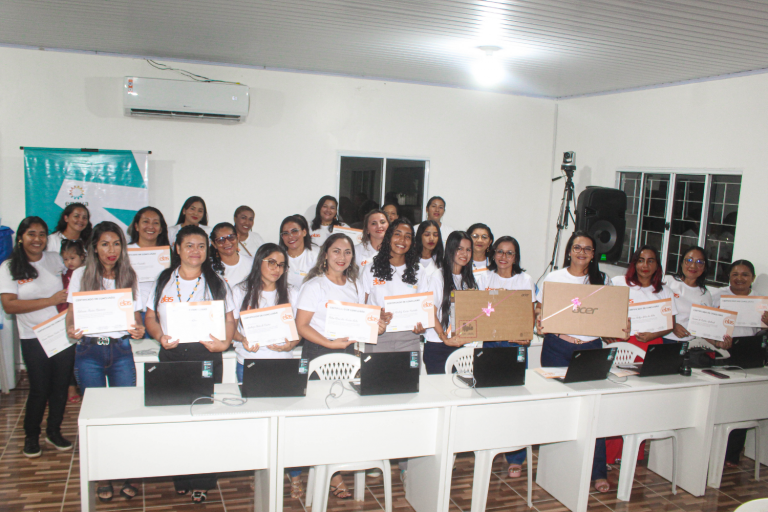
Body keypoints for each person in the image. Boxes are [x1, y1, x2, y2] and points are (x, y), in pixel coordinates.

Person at [144, 225, 236, 504]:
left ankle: (204, 480)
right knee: (176, 418)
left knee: (206, 417)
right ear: (177, 248)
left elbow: (230, 320)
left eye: (201, 246)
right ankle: (181, 476)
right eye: (189, 246)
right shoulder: (163, 280)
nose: (195, 251)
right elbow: (150, 318)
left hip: (207, 355)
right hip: (172, 355)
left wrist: (224, 343)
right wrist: (160, 336)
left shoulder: (218, 282)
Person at [295, 233, 386, 500]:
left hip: (348, 355)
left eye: (347, 252)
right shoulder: (314, 286)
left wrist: (377, 326)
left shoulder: (355, 285)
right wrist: (329, 343)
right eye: (336, 251)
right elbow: (301, 326)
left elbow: (361, 322)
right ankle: (331, 475)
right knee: (319, 416)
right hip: (319, 352)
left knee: (343, 414)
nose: (342, 257)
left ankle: (335, 466)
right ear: (325, 254)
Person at [65, 221, 144, 503]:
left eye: (117, 244)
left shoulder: (129, 275)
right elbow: (71, 317)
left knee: (125, 413)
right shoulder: (80, 275)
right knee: (96, 417)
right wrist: (71, 329)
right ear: (94, 247)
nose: (112, 250)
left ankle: (127, 472)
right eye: (105, 244)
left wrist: (139, 330)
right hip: (89, 353)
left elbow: (136, 321)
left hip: (121, 350)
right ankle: (102, 475)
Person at [535, 231, 620, 494]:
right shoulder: (554, 277)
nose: (581, 252)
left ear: (594, 254)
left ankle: (597, 472)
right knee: (557, 408)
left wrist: (616, 327)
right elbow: (540, 309)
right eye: (577, 247)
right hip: (557, 347)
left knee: (593, 410)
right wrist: (539, 319)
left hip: (590, 348)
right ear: (569, 251)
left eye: (587, 249)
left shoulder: (603, 280)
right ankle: (556, 468)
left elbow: (610, 316)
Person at [231, 243, 303, 497]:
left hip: (282, 365)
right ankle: (260, 471)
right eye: (271, 262)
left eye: (281, 264)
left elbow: (298, 331)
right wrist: (241, 340)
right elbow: (231, 328)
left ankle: (294, 475)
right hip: (248, 364)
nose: (276, 268)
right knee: (257, 425)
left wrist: (291, 344)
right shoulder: (240, 290)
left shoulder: (292, 292)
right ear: (259, 261)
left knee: (288, 426)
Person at [0, 217, 71, 459]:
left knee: (60, 387)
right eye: (32, 234)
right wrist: (50, 300)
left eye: (42, 234)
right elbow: (9, 306)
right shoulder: (9, 267)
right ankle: (31, 435)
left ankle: (54, 431)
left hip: (62, 334)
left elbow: (72, 281)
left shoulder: (54, 259)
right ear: (21, 237)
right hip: (33, 336)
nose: (37, 239)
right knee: (40, 389)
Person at [606, 245, 677, 467]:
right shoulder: (619, 284)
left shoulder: (663, 291)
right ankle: (608, 455)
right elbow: (605, 311)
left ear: (657, 265)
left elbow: (670, 325)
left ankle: (631, 455)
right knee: (618, 402)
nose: (645, 265)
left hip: (651, 345)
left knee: (642, 401)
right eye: (640, 260)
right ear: (634, 263)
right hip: (625, 345)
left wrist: (654, 334)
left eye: (650, 261)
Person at [476, 235, 536, 478]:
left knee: (516, 403)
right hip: (490, 344)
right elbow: (477, 310)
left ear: (516, 257)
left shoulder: (525, 279)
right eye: (499, 251)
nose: (503, 257)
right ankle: (489, 448)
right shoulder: (484, 278)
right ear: (493, 254)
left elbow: (529, 314)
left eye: (509, 253)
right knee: (489, 399)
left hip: (515, 345)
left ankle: (516, 457)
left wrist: (527, 336)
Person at [711, 259, 768, 469]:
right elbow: (705, 320)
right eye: (735, 274)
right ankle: (713, 448)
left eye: (745, 274)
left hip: (748, 352)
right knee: (720, 403)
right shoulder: (718, 295)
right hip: (721, 350)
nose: (739, 278)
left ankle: (732, 454)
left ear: (752, 278)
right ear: (729, 277)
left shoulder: (761, 300)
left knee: (741, 404)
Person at [362, 218, 427, 352]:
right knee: (375, 374)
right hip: (377, 336)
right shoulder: (370, 268)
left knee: (408, 374)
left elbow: (424, 309)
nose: (402, 240)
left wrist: (423, 325)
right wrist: (376, 314)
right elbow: (360, 305)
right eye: (397, 234)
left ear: (412, 242)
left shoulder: (419, 271)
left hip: (409, 339)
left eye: (407, 237)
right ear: (388, 237)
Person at [418, 231, 477, 374]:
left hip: (461, 345)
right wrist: (444, 337)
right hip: (438, 346)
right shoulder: (438, 276)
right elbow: (430, 313)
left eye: (468, 250)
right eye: (460, 249)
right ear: (451, 249)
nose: (465, 253)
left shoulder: (468, 279)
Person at [662, 247, 723, 347]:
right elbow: (655, 309)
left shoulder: (705, 294)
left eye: (699, 262)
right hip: (662, 339)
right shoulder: (667, 281)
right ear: (681, 263)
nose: (693, 266)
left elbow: (704, 327)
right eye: (689, 260)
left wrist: (718, 343)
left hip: (687, 344)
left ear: (704, 267)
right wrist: (672, 325)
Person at [127, 207, 171, 329]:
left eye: (155, 223)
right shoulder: (124, 253)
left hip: (160, 314)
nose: (150, 226)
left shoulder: (168, 255)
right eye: (145, 221)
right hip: (132, 313)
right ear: (136, 226)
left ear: (161, 229)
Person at [59, 239, 86, 403]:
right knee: (66, 357)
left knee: (79, 357)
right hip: (65, 318)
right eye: (66, 259)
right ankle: (66, 388)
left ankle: (75, 386)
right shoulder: (63, 276)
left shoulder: (87, 272)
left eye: (72, 258)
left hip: (84, 320)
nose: (69, 262)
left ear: (82, 256)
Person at [279, 215, 318, 291]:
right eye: (286, 233)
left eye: (294, 231)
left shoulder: (316, 255)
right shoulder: (278, 258)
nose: (290, 236)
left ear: (304, 232)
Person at [209, 222, 254, 288]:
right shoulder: (209, 267)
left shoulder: (252, 263)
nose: (227, 242)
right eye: (221, 240)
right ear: (214, 244)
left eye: (231, 237)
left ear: (237, 238)